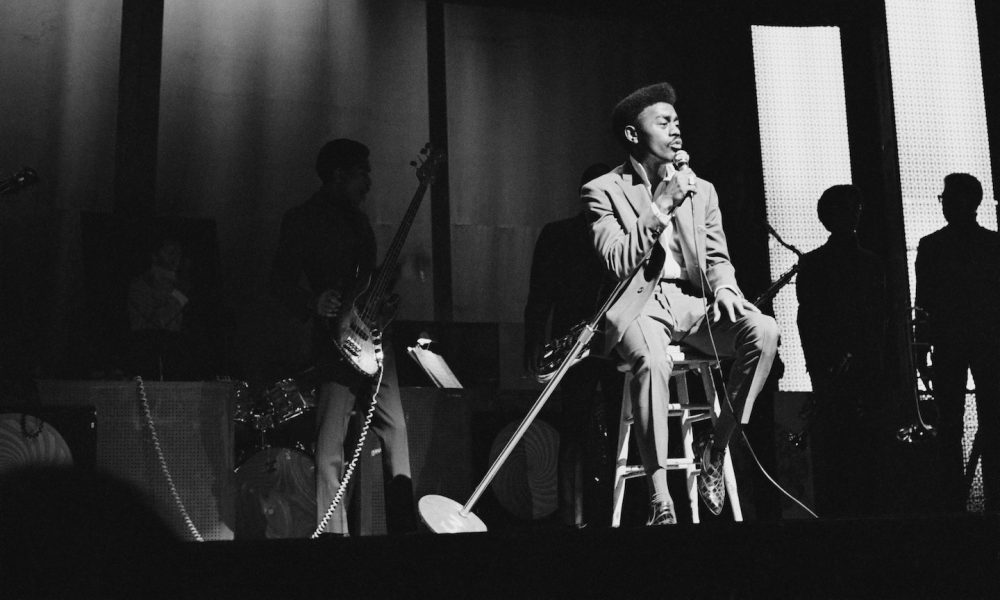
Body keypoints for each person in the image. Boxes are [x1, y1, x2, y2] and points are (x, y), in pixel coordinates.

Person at [582, 82, 779, 525]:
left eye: (678, 123)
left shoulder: (702, 190)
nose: (675, 131)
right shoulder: (603, 190)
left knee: (764, 331)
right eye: (663, 122)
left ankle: (716, 446)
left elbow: (716, 258)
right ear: (634, 134)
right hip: (639, 302)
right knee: (653, 363)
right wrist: (659, 206)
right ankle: (659, 497)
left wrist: (726, 287)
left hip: (691, 302)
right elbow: (616, 261)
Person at [268, 139, 416, 535]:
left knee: (396, 428)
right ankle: (333, 538)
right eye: (362, 173)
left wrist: (384, 297)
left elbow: (365, 283)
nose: (368, 182)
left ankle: (404, 529)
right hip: (335, 344)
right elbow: (279, 282)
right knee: (331, 443)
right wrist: (314, 301)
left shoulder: (360, 222)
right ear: (338, 175)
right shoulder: (301, 219)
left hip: (373, 337)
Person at [524, 163, 624, 528]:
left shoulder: (622, 235)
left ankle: (613, 513)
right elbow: (539, 294)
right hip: (574, 344)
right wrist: (534, 339)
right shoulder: (559, 234)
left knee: (620, 426)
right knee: (574, 429)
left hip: (617, 343)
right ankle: (572, 519)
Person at [796, 185, 887, 517]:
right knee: (845, 444)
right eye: (847, 209)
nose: (854, 215)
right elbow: (810, 320)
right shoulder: (825, 264)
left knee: (853, 444)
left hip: (851, 367)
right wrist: (824, 364)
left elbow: (879, 319)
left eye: (856, 208)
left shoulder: (829, 263)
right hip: (838, 368)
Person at [916, 173, 1000, 513]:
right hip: (988, 341)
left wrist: (921, 348)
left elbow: (924, 304)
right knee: (992, 418)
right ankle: (993, 500)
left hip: (948, 343)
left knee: (949, 422)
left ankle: (950, 502)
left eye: (947, 197)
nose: (944, 203)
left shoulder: (932, 245)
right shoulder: (993, 245)